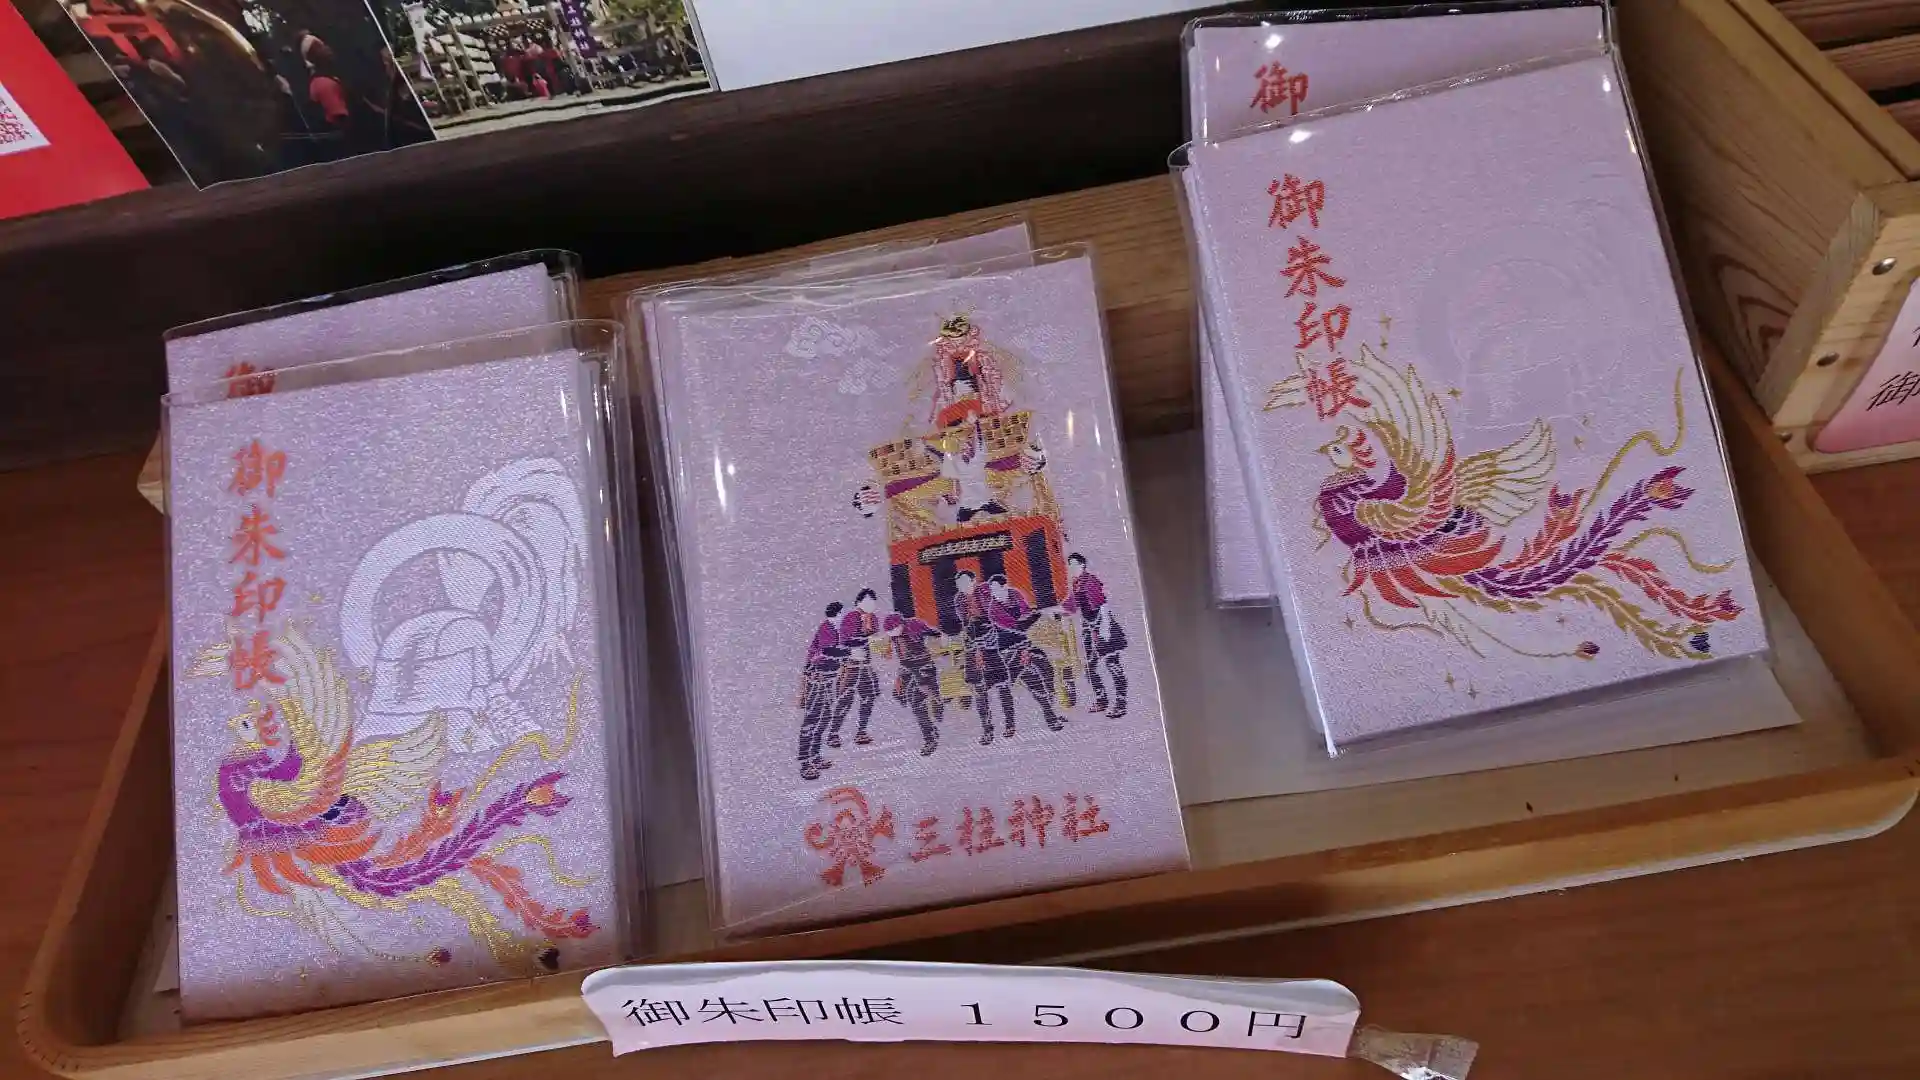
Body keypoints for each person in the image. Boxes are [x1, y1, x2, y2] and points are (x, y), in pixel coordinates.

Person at [986, 575, 1067, 735]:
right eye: (992, 590)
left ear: (1005, 586)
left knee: (1044, 668)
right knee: (1007, 685)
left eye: (996, 589)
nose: (994, 593)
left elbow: (1026, 612)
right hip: (1007, 651)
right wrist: (1040, 613)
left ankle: (1051, 710)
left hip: (1024, 646)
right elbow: (1018, 625)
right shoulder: (993, 609)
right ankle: (1010, 724)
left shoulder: (1015, 594)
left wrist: (1037, 613)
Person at [1065, 552, 1128, 717]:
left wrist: (1104, 631)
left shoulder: (1090, 581)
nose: (1071, 568)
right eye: (1070, 565)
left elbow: (1103, 607)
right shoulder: (1076, 584)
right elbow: (1071, 606)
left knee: (1112, 665)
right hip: (1089, 630)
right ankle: (1102, 700)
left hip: (1103, 628)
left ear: (1083, 565)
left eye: (1074, 564)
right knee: (1090, 667)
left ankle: (1121, 704)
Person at [952, 569, 1010, 745]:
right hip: (972, 638)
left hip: (990, 636)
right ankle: (987, 728)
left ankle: (1010, 723)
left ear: (973, 581)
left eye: (965, 581)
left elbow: (995, 612)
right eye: (959, 583)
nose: (962, 586)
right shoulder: (959, 599)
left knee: (1002, 682)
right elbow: (966, 622)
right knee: (978, 688)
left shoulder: (985, 591)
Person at [797, 602, 847, 780]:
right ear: (837, 614)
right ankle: (805, 762)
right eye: (842, 613)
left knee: (825, 717)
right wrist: (848, 653)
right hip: (817, 679)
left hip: (829, 678)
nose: (844, 616)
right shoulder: (827, 628)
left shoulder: (837, 629)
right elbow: (827, 651)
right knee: (812, 719)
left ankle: (815, 756)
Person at [829, 589, 883, 748]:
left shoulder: (872, 618)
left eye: (872, 601)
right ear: (858, 602)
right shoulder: (851, 617)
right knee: (845, 700)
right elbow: (846, 640)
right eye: (867, 601)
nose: (870, 604)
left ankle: (861, 731)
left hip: (865, 665)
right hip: (851, 666)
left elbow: (873, 635)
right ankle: (833, 733)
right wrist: (864, 639)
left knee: (868, 698)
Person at [885, 610, 944, 756]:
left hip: (923, 666)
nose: (893, 635)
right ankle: (933, 707)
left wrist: (933, 638)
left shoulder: (913, 625)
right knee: (899, 695)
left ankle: (930, 736)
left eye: (894, 630)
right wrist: (899, 676)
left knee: (918, 703)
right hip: (907, 668)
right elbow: (901, 656)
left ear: (900, 625)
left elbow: (934, 633)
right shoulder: (895, 636)